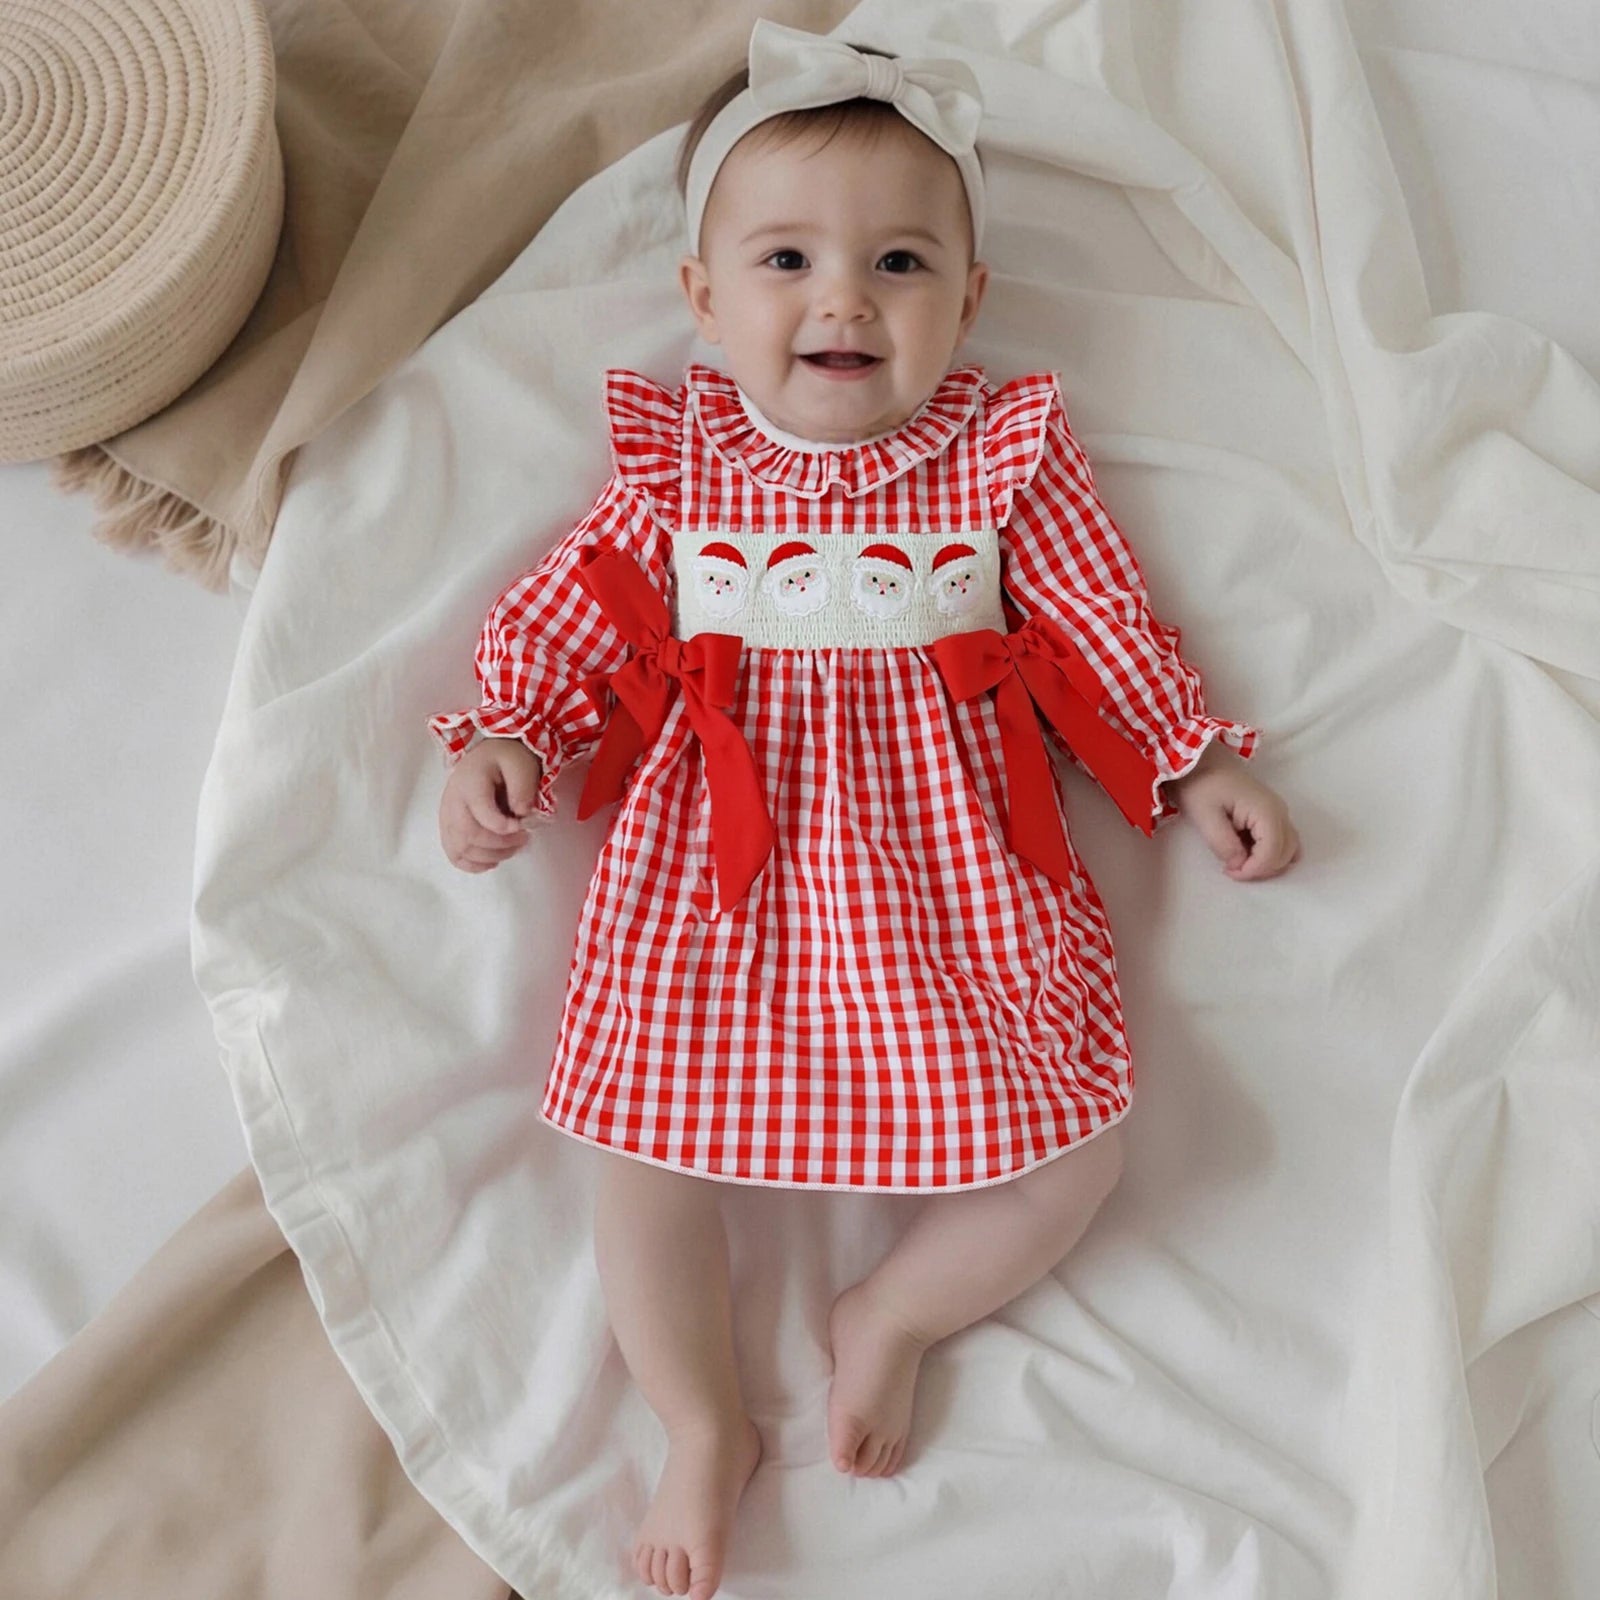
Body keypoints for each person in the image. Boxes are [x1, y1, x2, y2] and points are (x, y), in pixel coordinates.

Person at [430, 20, 1300, 1600]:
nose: (843, 297)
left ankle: (890, 1312)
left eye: (901, 262)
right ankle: (703, 1422)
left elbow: (1107, 627)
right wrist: (507, 736)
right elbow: (581, 606)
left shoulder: (1003, 457)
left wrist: (1197, 761)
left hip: (948, 884)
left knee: (1079, 1148)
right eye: (785, 259)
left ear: (967, 305)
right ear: (704, 302)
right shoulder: (682, 460)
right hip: (714, 889)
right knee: (637, 1156)